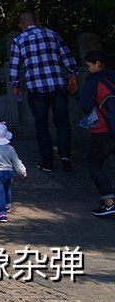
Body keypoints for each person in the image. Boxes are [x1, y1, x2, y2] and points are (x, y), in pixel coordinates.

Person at [7, 12, 78, 171]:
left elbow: (15, 65)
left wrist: (15, 84)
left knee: (41, 124)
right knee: (62, 120)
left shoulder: (19, 40)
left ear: (20, 25)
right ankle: (65, 154)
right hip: (57, 84)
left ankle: (48, 161)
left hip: (36, 87)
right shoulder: (52, 34)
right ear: (37, 22)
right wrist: (72, 74)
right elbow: (66, 55)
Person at [78, 52, 115, 217]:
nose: (88, 68)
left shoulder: (93, 81)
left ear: (98, 63)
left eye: (89, 65)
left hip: (103, 129)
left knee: (95, 164)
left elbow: (86, 105)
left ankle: (109, 202)